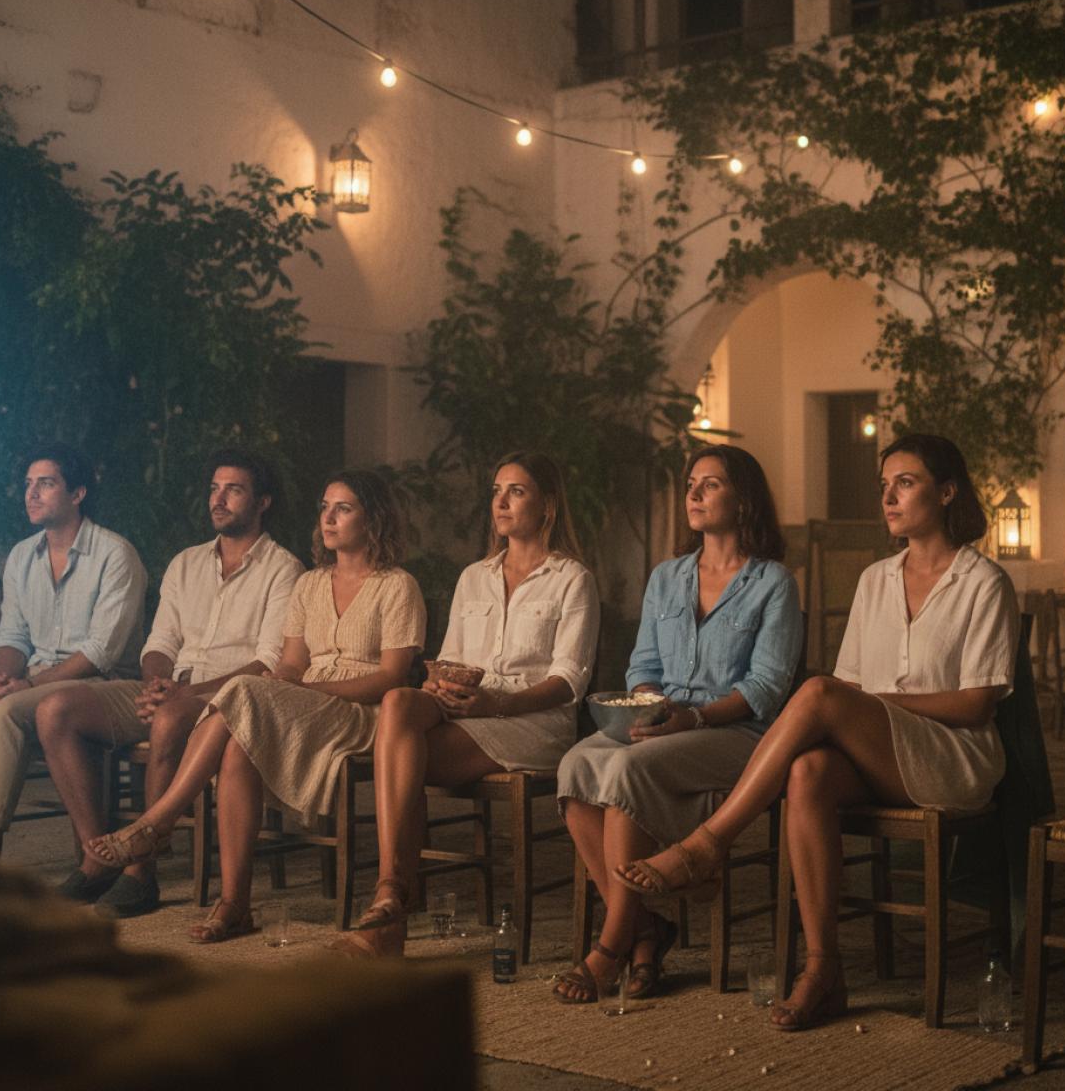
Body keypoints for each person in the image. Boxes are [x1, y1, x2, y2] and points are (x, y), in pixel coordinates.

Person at [614, 433, 1019, 1031]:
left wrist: (880, 704)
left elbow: (979, 702)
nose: (888, 497)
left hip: (952, 758)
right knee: (807, 771)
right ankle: (823, 969)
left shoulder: (984, 581)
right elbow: (852, 686)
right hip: (882, 751)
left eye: (904, 483)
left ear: (948, 491)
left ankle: (708, 844)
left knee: (818, 692)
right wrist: (867, 707)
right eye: (884, 486)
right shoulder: (876, 579)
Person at [82, 469, 426, 942]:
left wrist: (305, 691)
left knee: (242, 692)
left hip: (362, 712)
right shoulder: (310, 584)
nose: (329, 518)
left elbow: (393, 677)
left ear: (374, 519)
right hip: (307, 702)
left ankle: (157, 821)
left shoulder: (397, 585)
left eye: (343, 508)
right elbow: (289, 665)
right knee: (238, 746)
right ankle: (235, 904)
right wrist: (284, 686)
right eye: (325, 507)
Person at [552, 445, 802, 1003]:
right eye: (692, 483)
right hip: (665, 721)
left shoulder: (774, 583)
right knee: (576, 766)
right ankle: (649, 927)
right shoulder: (666, 577)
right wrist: (646, 704)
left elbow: (766, 688)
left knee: (628, 769)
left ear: (743, 500)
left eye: (710, 484)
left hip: (736, 733)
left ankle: (613, 945)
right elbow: (643, 666)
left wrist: (692, 716)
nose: (693, 493)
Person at [332, 451, 601, 958]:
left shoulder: (572, 578)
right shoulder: (473, 576)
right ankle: (391, 898)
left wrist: (496, 703)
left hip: (533, 722)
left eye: (516, 491)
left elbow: (570, 681)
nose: (500, 501)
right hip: (468, 708)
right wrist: (440, 683)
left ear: (547, 506)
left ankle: (389, 904)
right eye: (497, 491)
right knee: (399, 701)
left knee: (398, 761)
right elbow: (451, 657)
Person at [36, 449, 303, 917]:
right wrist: (159, 682)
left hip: (225, 698)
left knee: (169, 718)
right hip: (166, 688)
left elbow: (267, 663)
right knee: (54, 710)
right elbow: (159, 642)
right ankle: (96, 857)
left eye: (233, 490)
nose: (218, 500)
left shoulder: (285, 569)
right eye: (214, 489)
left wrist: (184, 695)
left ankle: (141, 872)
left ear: (262, 502)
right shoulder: (186, 563)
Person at [0, 444, 146, 859]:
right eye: (29, 484)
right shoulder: (23, 555)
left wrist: (22, 687)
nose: (32, 494)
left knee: (11, 710)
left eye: (46, 484)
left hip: (96, 682)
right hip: (34, 674)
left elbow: (100, 652)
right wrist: (4, 680)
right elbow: (11, 634)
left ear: (77, 493)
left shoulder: (116, 554)